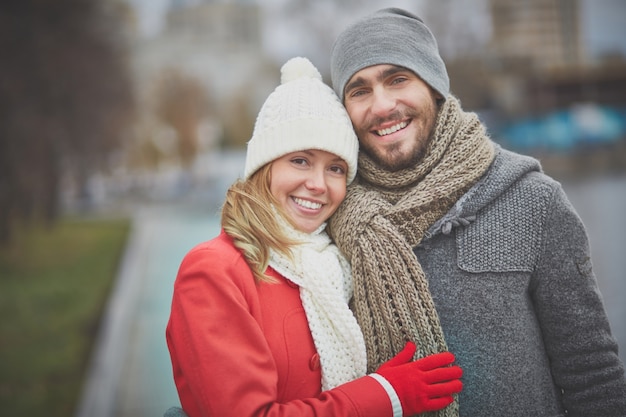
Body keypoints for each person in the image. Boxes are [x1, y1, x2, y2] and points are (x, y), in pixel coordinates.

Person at [327, 7, 626, 417]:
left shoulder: (533, 200)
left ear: (433, 86)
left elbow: (592, 375)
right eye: (359, 91)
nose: (381, 106)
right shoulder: (330, 219)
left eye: (398, 79)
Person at [164, 57, 463, 417]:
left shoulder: (341, 263)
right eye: (301, 161)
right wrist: (384, 395)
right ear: (265, 167)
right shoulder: (215, 270)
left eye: (335, 168)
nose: (318, 185)